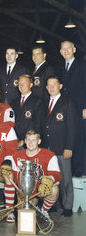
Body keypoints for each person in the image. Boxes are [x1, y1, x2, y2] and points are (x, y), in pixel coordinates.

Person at [42, 76, 77, 217]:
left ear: (60, 86)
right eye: (49, 85)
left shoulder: (67, 103)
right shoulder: (44, 104)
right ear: (46, 88)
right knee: (50, 178)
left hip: (62, 148)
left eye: (54, 85)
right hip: (48, 149)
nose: (51, 88)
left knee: (65, 178)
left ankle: (68, 206)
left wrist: (69, 147)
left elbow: (72, 127)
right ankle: (53, 205)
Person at [9, 130, 61, 216]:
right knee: (25, 213)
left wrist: (50, 179)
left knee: (54, 190)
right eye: (28, 140)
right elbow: (14, 178)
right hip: (25, 193)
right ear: (25, 141)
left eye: (33, 140)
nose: (30, 143)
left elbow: (57, 175)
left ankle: (43, 211)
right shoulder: (16, 156)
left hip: (41, 190)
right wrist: (19, 193)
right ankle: (30, 205)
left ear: (39, 141)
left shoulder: (49, 155)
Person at [59, 41, 86, 177]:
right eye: (63, 49)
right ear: (60, 52)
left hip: (80, 110)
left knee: (80, 139)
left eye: (68, 48)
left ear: (74, 49)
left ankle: (79, 171)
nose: (66, 51)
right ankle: (69, 172)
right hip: (66, 111)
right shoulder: (60, 68)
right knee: (69, 138)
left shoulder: (82, 66)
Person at [10, 75, 45, 149]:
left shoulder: (38, 102)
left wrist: (24, 141)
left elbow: (38, 126)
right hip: (15, 142)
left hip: (30, 143)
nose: (21, 86)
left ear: (31, 85)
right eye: (19, 83)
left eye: (24, 83)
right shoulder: (13, 102)